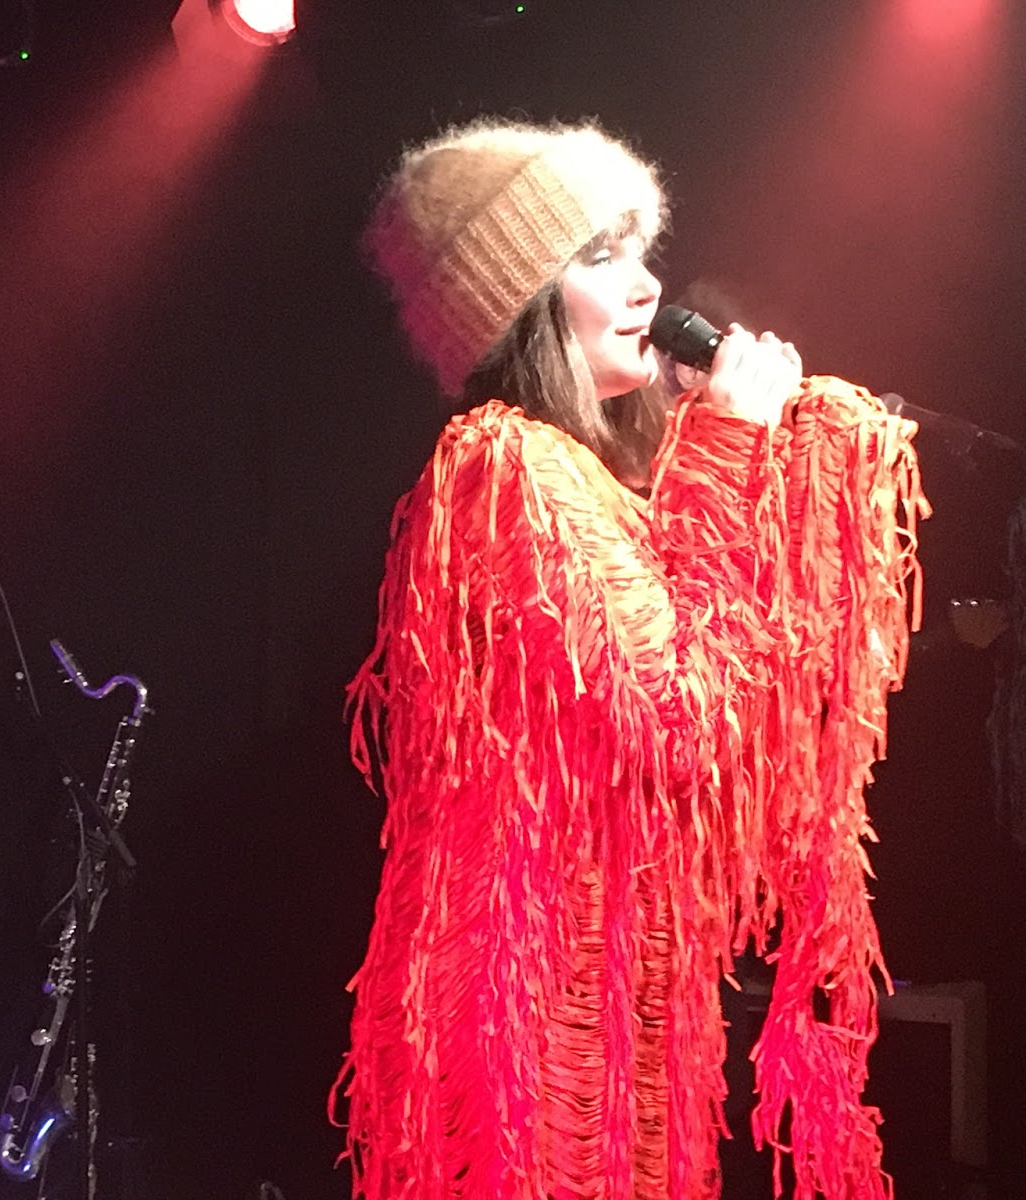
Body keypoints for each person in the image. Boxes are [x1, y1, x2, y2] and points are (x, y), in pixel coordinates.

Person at [334, 120, 925, 1199]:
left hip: (625, 1000)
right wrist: (731, 442)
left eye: (641, 250)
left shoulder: (598, 483)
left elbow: (724, 709)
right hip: (538, 1023)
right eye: (601, 256)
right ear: (520, 304)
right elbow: (678, 716)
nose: (648, 285)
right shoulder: (507, 463)